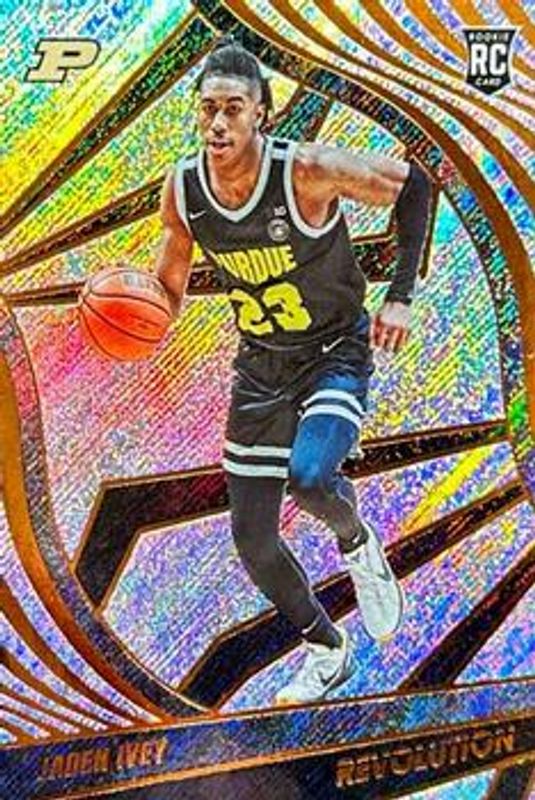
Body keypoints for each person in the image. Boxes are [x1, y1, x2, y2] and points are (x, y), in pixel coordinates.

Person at [156, 38, 431, 705]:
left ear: (262, 113)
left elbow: (415, 185)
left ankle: (355, 540)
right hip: (259, 366)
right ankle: (326, 648)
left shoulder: (305, 170)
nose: (218, 123)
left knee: (309, 478)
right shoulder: (183, 190)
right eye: (208, 110)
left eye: (233, 109)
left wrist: (399, 294)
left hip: (333, 351)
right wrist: (131, 312)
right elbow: (166, 290)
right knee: (252, 542)